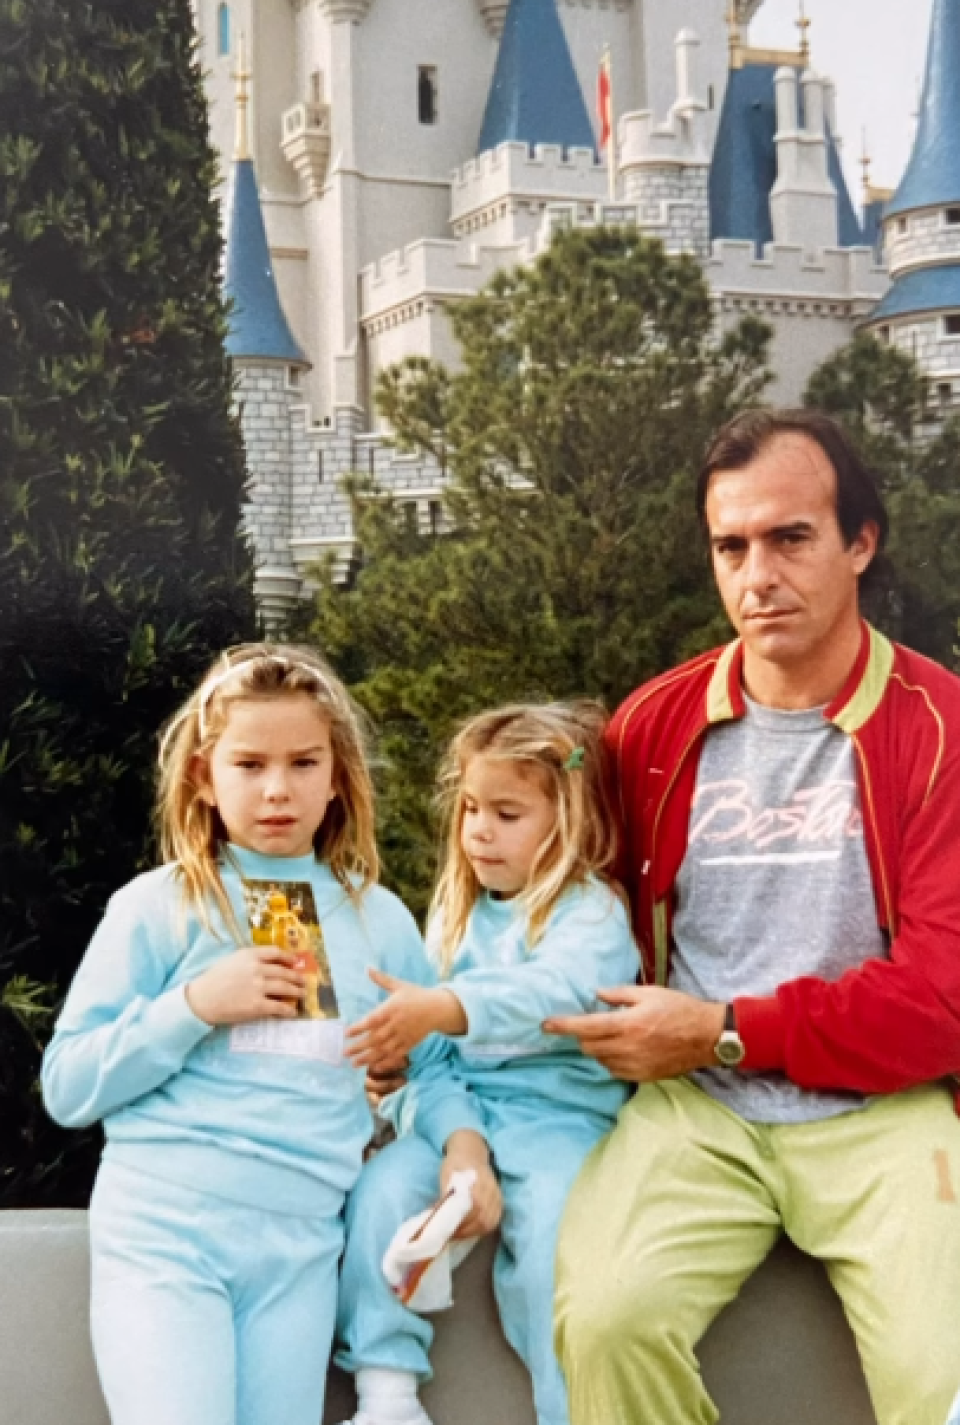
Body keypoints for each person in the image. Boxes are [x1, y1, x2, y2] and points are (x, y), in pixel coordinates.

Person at [546, 409, 960, 1425]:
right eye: (731, 545)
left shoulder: (942, 725)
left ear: (861, 542)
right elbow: (554, 913)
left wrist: (729, 1025)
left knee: (944, 1368)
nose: (757, 574)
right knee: (605, 1319)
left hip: (887, 1108)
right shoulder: (651, 724)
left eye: (791, 537)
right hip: (696, 1107)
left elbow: (943, 998)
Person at [42, 644, 498, 1425]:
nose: (277, 789)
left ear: (337, 777)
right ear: (203, 776)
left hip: (300, 1251)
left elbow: (433, 1067)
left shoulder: (379, 918)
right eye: (249, 764)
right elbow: (69, 1084)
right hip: (166, 1236)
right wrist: (192, 1005)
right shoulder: (156, 906)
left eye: (303, 763)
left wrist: (465, 1150)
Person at [334, 702, 639, 1425]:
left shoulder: (590, 911)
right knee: (379, 1196)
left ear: (569, 822)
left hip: (559, 1121)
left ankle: (570, 1410)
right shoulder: (454, 915)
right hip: (459, 1114)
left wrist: (445, 1005)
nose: (479, 829)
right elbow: (430, 1058)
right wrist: (407, 1076)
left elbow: (557, 993)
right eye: (471, 807)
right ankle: (387, 1397)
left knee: (553, 1259)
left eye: (507, 813)